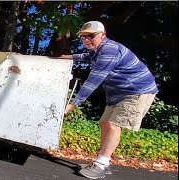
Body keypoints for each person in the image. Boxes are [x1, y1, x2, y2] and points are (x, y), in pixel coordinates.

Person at [59, 21, 158, 179]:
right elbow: (86, 56)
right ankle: (103, 163)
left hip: (137, 91)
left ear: (102, 35)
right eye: (83, 37)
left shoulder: (109, 51)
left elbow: (93, 81)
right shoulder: (98, 50)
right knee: (104, 123)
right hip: (119, 94)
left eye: (90, 36)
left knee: (113, 125)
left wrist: (73, 103)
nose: (86, 40)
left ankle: (101, 164)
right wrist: (68, 57)